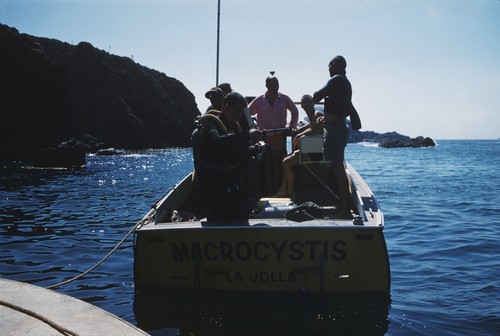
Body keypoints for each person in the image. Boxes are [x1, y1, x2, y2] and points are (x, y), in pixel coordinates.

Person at [192, 92, 260, 224]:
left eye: (241, 112)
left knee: (241, 214)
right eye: (237, 111)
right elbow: (218, 143)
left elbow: (239, 150)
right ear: (227, 107)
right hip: (215, 185)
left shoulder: (234, 126)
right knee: (220, 218)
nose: (239, 115)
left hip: (232, 181)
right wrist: (247, 135)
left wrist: (255, 150)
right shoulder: (209, 124)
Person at [312, 55, 352, 218]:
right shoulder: (345, 82)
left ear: (335, 65)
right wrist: (326, 117)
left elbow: (316, 95)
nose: (328, 69)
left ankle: (344, 209)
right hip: (337, 125)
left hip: (335, 129)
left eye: (329, 65)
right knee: (338, 168)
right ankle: (343, 205)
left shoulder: (336, 79)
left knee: (338, 169)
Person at [248, 75, 299, 195]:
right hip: (264, 138)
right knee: (266, 165)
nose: (275, 86)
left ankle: (278, 191)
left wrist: (290, 127)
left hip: (280, 137)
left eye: (277, 84)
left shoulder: (284, 99)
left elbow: (295, 111)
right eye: (272, 84)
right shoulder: (259, 100)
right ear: (266, 85)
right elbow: (248, 113)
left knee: (278, 165)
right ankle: (269, 192)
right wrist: (255, 127)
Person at [274, 95, 323, 198]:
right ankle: (283, 189)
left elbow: (313, 128)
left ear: (313, 103)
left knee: (286, 162)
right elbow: (306, 127)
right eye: (304, 103)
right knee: (285, 159)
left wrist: (299, 135)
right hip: (310, 150)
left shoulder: (317, 114)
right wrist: (294, 131)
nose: (306, 105)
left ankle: (290, 192)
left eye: (308, 102)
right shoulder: (311, 119)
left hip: (316, 152)